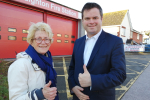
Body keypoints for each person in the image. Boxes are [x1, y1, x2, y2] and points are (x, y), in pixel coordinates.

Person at [68, 2, 126, 100]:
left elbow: (119, 74)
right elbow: (72, 68)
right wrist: (73, 87)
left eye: (95, 18)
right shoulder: (78, 42)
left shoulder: (115, 42)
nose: (91, 22)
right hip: (78, 97)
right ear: (82, 20)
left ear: (101, 19)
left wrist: (92, 81)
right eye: (87, 18)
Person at [8, 22, 59, 100]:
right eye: (39, 39)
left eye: (46, 39)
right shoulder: (20, 65)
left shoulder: (48, 60)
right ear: (31, 41)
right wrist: (40, 94)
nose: (43, 42)